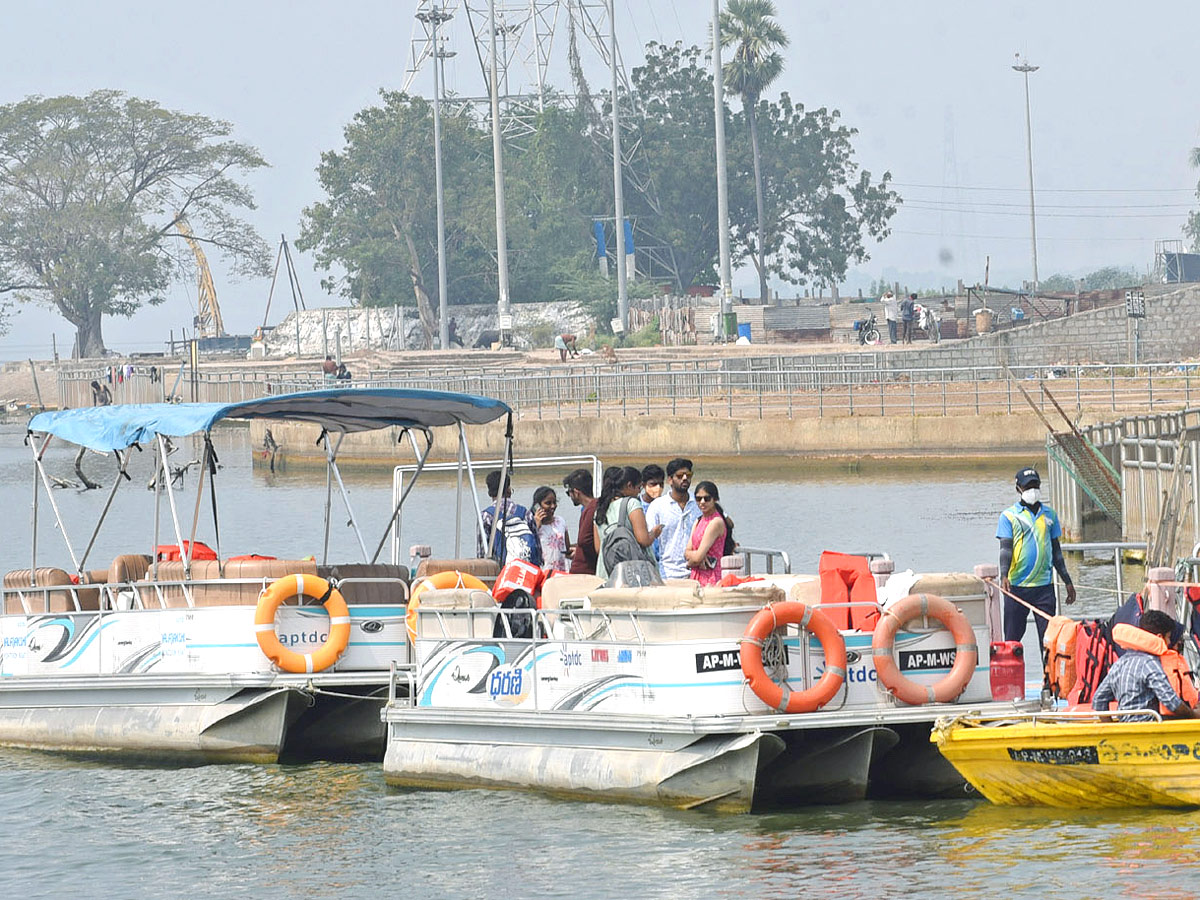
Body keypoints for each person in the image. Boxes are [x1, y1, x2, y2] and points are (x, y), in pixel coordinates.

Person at [996, 466, 1076, 645]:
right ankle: (1013, 672)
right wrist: (1004, 575)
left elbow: (1056, 552)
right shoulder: (1009, 516)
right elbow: (1005, 549)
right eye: (1027, 487)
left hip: (1044, 589)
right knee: (1012, 640)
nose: (1032, 490)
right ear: (1018, 489)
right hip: (1016, 587)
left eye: (1035, 485)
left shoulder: (1050, 515)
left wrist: (1067, 581)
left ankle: (1048, 674)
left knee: (1048, 641)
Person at [1092, 611, 1196, 721]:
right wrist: (1194, 716)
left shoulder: (1120, 663)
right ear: (1160, 637)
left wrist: (1110, 728)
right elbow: (1172, 703)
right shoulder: (1150, 664)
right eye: (1169, 637)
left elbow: (1099, 699)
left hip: (1125, 725)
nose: (1169, 642)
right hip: (1150, 725)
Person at [594, 465, 663, 580]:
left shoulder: (600, 509)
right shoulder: (631, 504)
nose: (638, 493)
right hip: (631, 575)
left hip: (605, 572)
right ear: (629, 485)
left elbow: (598, 548)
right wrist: (654, 533)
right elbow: (643, 540)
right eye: (639, 488)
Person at [645, 458, 701, 580]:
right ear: (670, 480)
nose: (685, 478)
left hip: (697, 572)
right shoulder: (658, 506)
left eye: (688, 475)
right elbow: (647, 540)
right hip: (667, 574)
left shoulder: (700, 503)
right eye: (680, 476)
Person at [479, 470, 542, 566]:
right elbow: (537, 547)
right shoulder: (525, 513)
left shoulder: (486, 516)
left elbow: (482, 552)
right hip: (524, 569)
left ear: (490, 492)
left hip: (501, 570)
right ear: (508, 489)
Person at [684, 481, 734, 586]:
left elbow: (697, 557)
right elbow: (687, 552)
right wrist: (696, 557)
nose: (702, 502)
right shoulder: (698, 520)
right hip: (696, 576)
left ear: (715, 499)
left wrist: (692, 561)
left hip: (710, 577)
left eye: (706, 499)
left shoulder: (715, 522)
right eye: (698, 499)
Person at [562, 468, 598, 575]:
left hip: (586, 571)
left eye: (569, 493)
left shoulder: (591, 509)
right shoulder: (593, 507)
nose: (570, 497)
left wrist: (578, 550)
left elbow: (585, 540)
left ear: (576, 492)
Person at [532, 485, 571, 573]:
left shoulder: (560, 521)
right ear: (537, 506)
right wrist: (536, 526)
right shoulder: (532, 526)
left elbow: (567, 547)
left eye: (554, 502)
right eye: (548, 503)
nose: (553, 506)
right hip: (543, 572)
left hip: (563, 571)